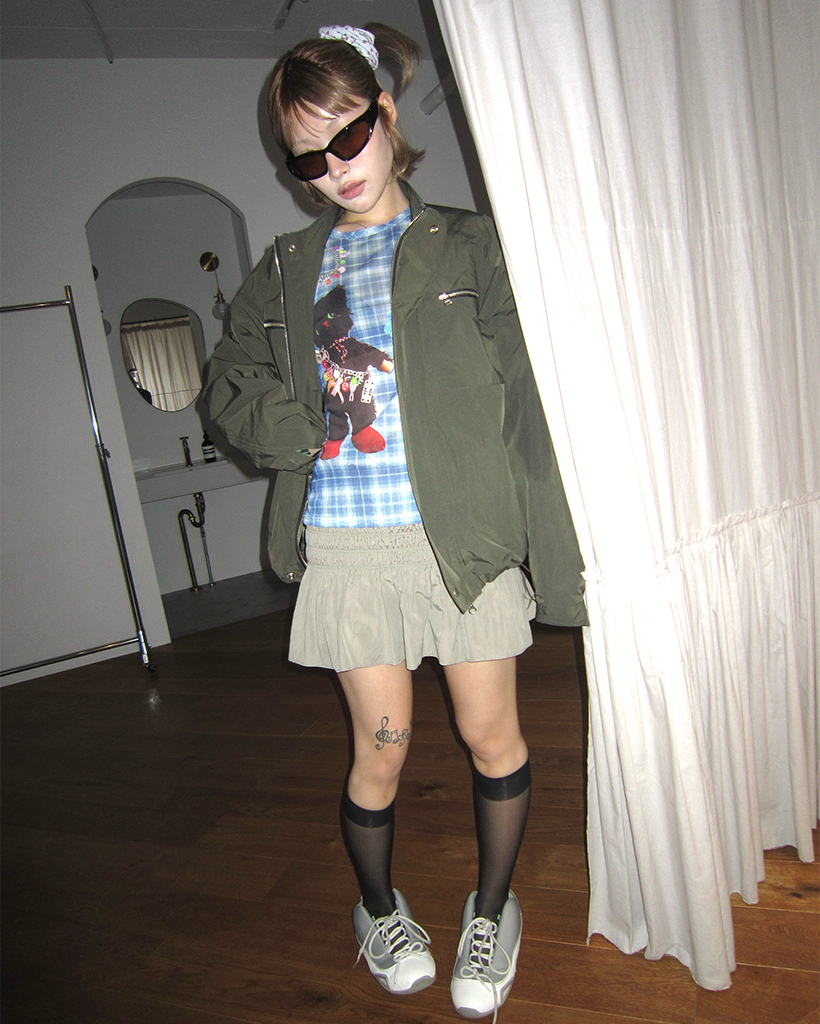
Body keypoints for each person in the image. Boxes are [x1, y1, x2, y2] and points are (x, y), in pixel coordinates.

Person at [203, 23, 586, 1021]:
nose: (335, 168)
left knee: (491, 738)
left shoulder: (472, 245)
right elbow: (227, 379)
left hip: (463, 541)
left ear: (384, 114)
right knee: (382, 749)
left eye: (348, 136)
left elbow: (529, 408)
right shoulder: (288, 267)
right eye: (307, 157)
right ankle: (378, 909)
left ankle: (490, 911)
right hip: (349, 547)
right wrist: (284, 424)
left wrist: (558, 558)